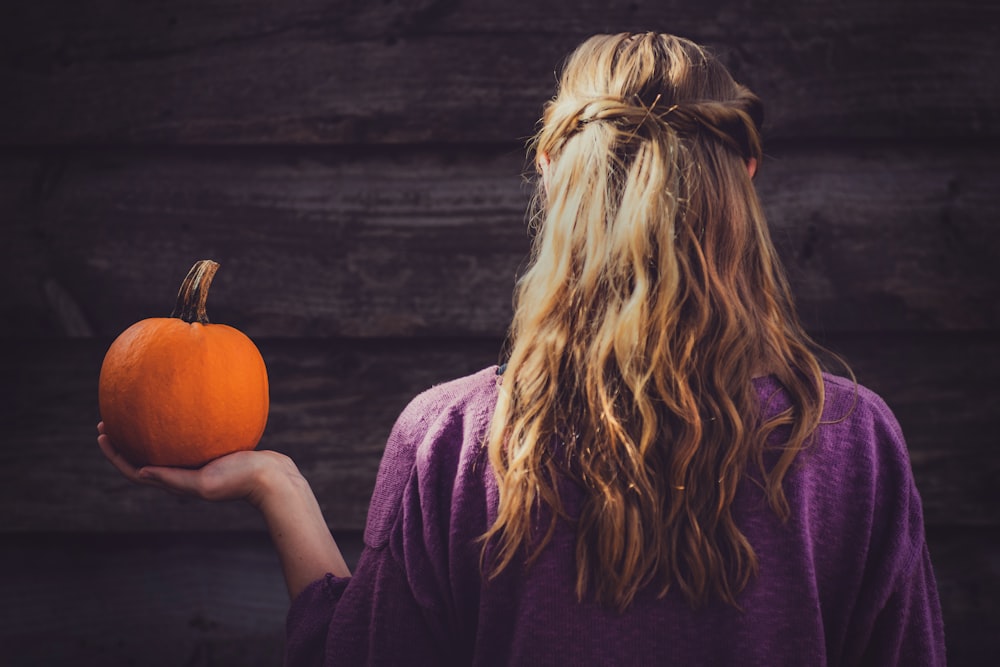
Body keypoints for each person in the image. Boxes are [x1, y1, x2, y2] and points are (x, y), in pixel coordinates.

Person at [98, 32, 946, 666]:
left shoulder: (452, 440)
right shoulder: (855, 443)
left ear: (549, 166)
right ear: (745, 176)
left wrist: (276, 486)